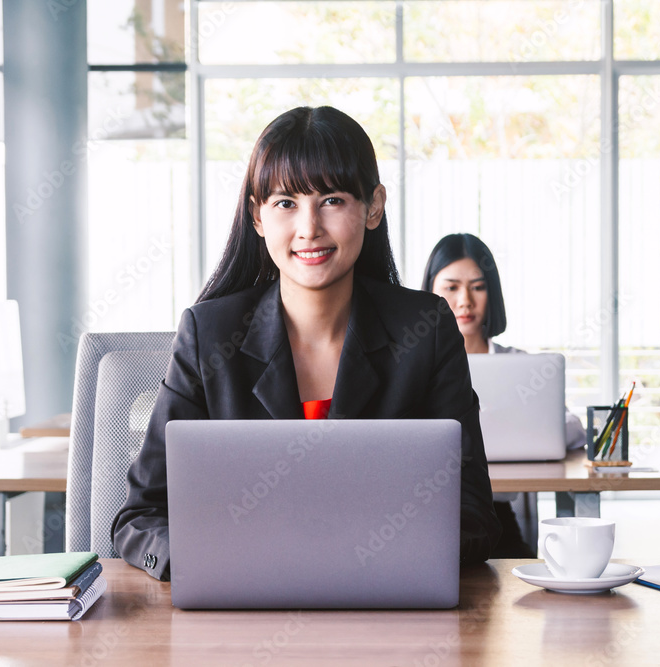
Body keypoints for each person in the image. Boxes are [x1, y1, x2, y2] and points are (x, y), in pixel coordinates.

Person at [112, 107, 501, 580]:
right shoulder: (208, 336)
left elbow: (475, 515)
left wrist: (361, 556)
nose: (309, 228)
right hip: (242, 607)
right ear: (257, 215)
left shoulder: (427, 331)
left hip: (382, 605)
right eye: (285, 203)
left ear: (373, 206)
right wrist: (202, 563)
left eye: (332, 200)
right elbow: (140, 517)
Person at [421, 233, 586, 557]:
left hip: (496, 513)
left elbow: (573, 427)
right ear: (430, 292)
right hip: (429, 513)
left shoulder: (520, 365)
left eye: (478, 287)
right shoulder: (415, 367)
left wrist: (537, 432)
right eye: (451, 287)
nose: (465, 300)